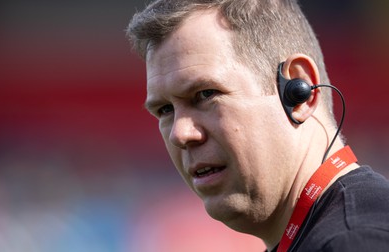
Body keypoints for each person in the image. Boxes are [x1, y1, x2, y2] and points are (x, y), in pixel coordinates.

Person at [126, 0, 389, 251]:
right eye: (165, 109)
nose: (180, 134)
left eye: (205, 94)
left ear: (300, 91)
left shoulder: (353, 241)